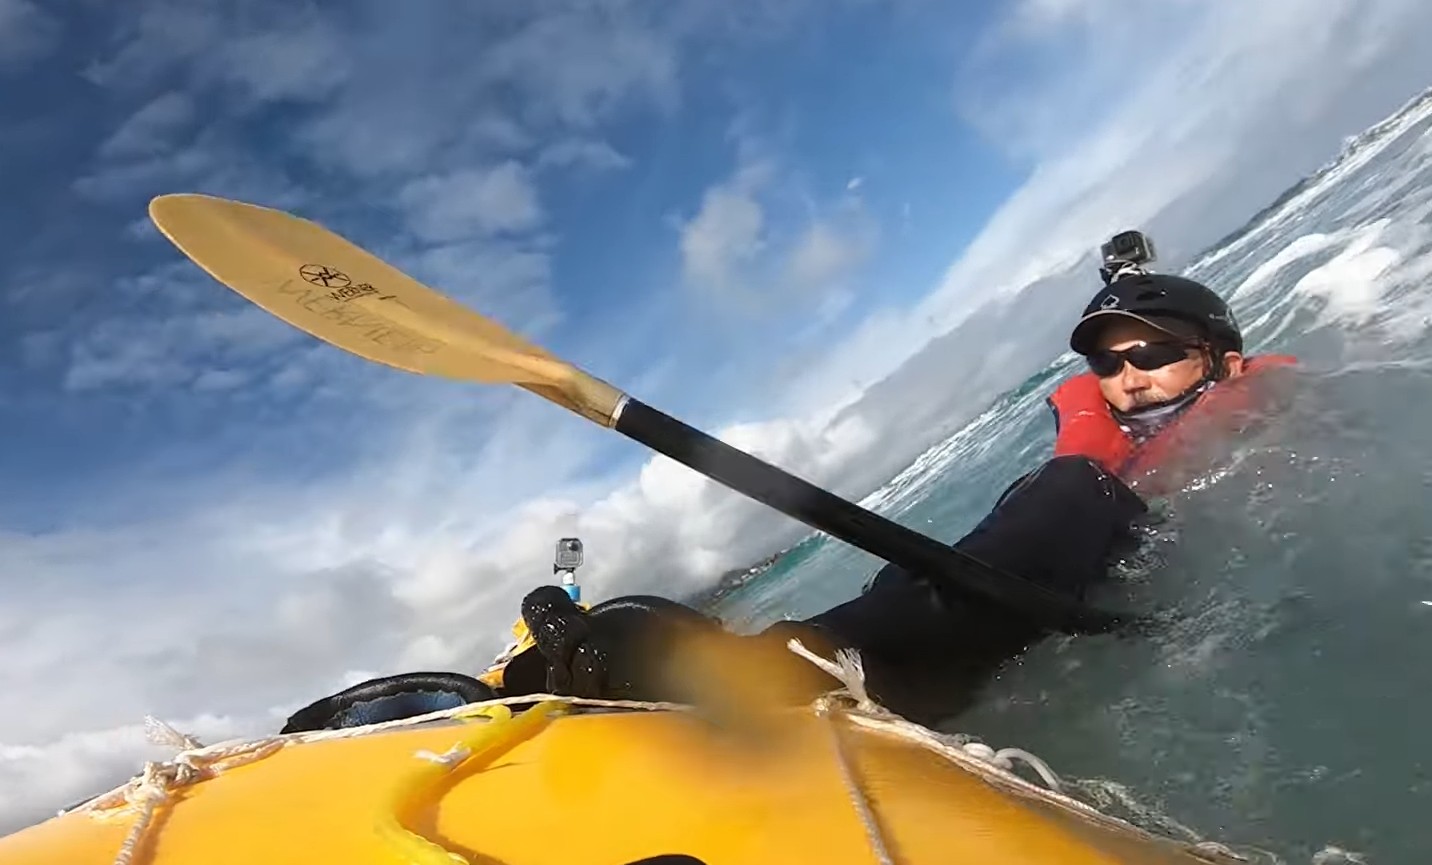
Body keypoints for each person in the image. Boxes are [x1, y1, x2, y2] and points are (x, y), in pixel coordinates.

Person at [282, 251, 1298, 732]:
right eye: (1109, 362)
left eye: (1154, 353)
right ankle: (800, 659)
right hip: (1053, 532)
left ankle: (812, 663)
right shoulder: (1097, 429)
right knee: (996, 537)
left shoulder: (1251, 401)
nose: (1126, 377)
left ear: (1220, 356)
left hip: (1101, 524)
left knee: (1058, 503)